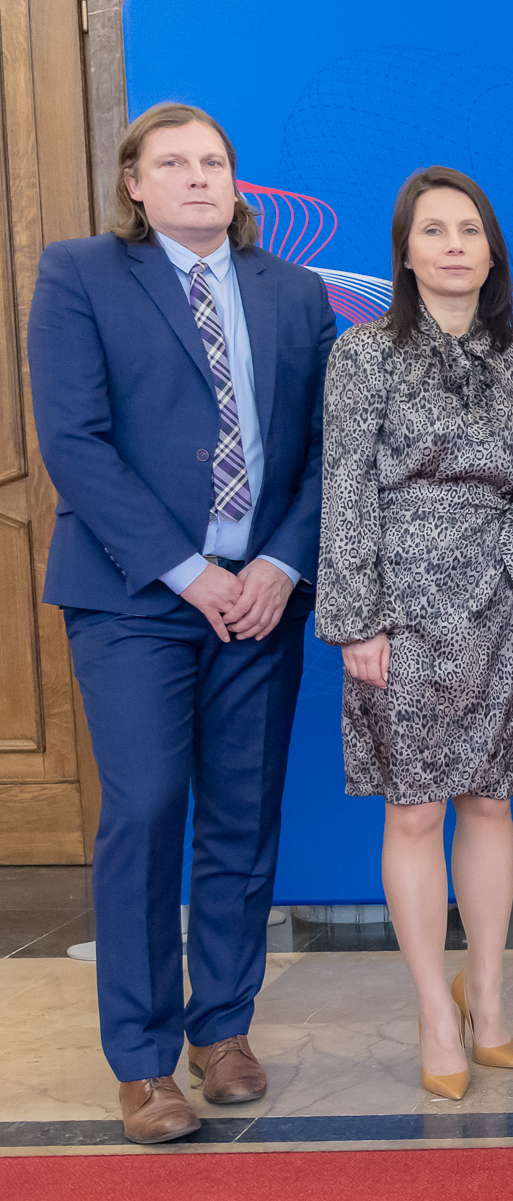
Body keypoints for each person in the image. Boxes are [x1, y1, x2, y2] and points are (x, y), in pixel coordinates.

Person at [27, 103, 336, 1143]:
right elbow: (74, 440)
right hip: (135, 598)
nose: (198, 177)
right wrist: (190, 572)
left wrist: (280, 563)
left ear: (236, 182)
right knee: (149, 809)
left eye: (213, 162)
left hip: (263, 599)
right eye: (173, 162)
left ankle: (224, 1030)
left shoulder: (294, 292)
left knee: (243, 818)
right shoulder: (81, 275)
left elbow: (327, 450)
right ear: (134, 182)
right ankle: (143, 1062)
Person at [316, 168, 513, 1101]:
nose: (454, 245)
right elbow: (344, 488)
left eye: (470, 230)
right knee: (413, 808)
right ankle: (431, 1011)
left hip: (503, 598)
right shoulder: (363, 354)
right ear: (405, 253)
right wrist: (355, 619)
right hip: (400, 605)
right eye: (433, 230)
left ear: (493, 253)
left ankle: (485, 998)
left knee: (491, 800)